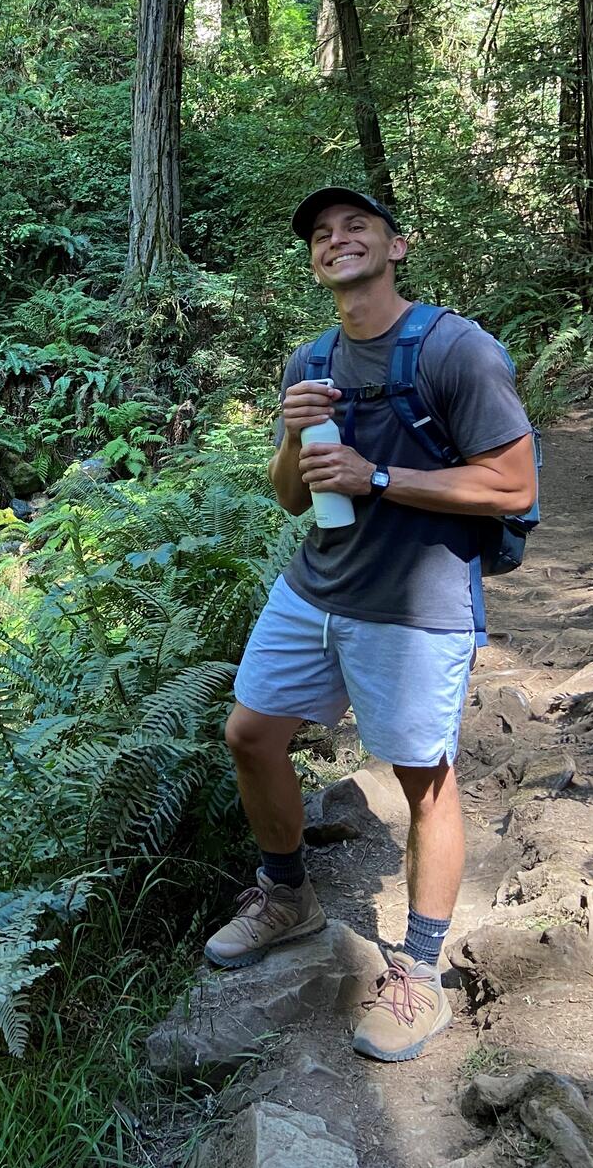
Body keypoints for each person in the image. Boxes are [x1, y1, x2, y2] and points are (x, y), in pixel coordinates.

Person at [206, 187, 537, 1061]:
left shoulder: (455, 349)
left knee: (425, 776)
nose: (336, 239)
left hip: (416, 602)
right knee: (250, 732)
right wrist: (292, 439)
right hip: (317, 586)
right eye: (321, 232)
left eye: (356, 226)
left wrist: (380, 477)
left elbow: (514, 486)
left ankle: (419, 973)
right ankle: (288, 897)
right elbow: (291, 497)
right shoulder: (309, 359)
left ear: (397, 245)